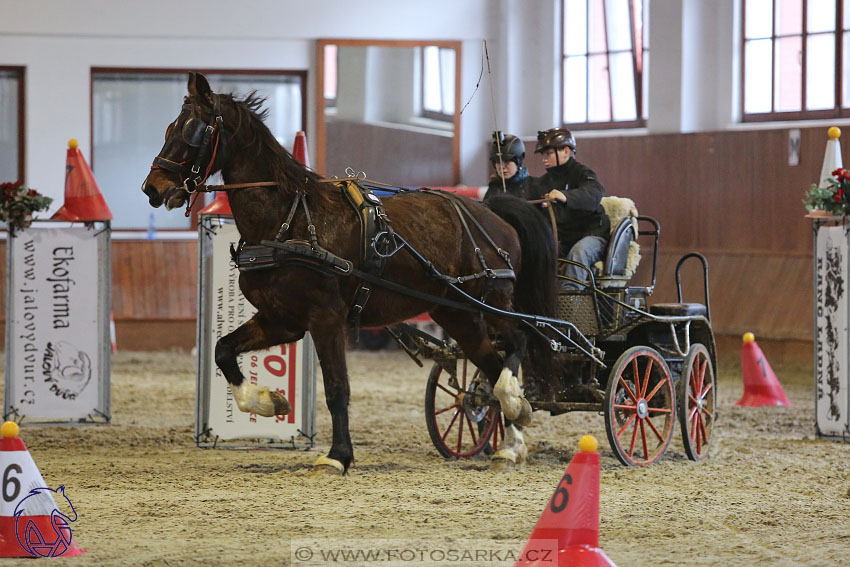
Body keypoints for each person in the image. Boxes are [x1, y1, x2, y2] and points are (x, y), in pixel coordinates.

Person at [530, 127, 610, 290]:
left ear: (566, 151)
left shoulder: (582, 173)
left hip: (591, 235)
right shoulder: (541, 183)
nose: (544, 159)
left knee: (578, 252)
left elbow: (596, 192)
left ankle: (571, 303)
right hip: (562, 240)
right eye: (543, 155)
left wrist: (565, 196)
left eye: (548, 154)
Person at [483, 131, 534, 202]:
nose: (502, 167)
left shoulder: (533, 186)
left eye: (507, 161)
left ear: (518, 162)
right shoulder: (493, 188)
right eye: (498, 162)